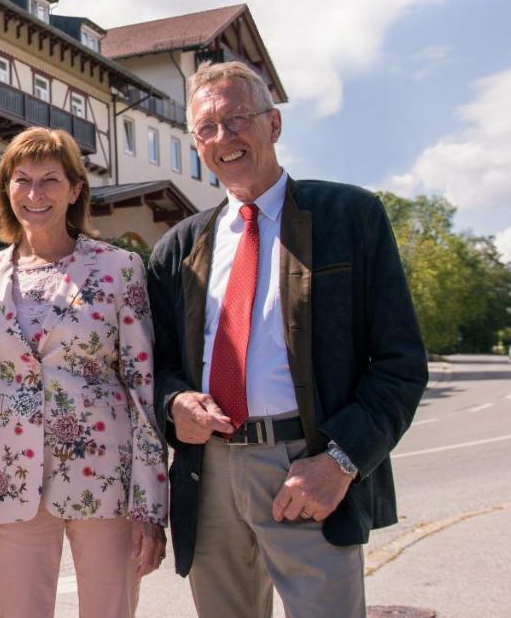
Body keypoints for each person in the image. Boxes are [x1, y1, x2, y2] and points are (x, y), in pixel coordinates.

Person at [146, 61, 428, 617]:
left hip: (308, 469)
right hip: (210, 471)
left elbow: (399, 363)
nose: (223, 139)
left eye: (237, 120)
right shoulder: (177, 248)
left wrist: (341, 461)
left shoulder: (351, 216)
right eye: (206, 128)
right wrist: (174, 402)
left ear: (274, 125)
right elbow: (159, 365)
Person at [0, 126, 167, 618]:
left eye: (50, 180)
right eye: (22, 179)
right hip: (12, 480)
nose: (35, 195)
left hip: (106, 480)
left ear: (76, 189)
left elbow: (144, 389)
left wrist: (151, 504)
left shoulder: (120, 269)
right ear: (6, 189)